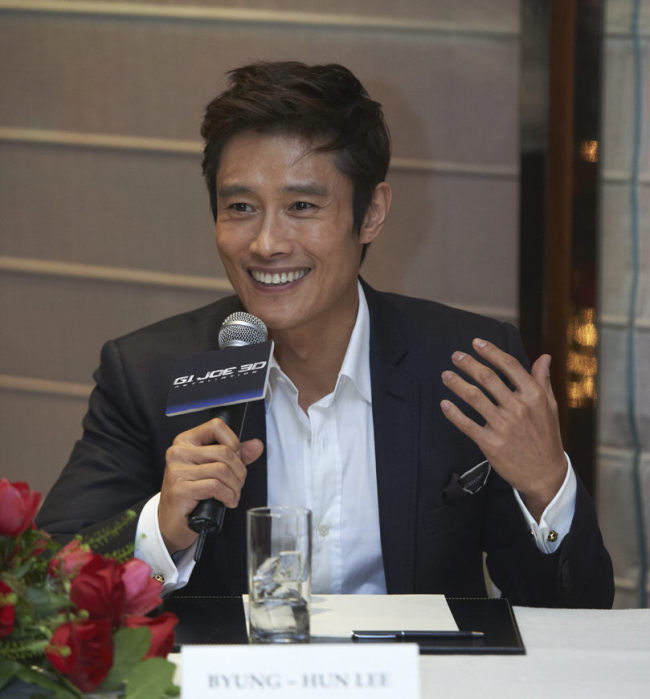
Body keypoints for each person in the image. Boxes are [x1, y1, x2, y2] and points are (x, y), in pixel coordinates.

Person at [37, 61, 614, 607]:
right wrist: (164, 526)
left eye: (302, 206)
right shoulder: (151, 373)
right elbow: (46, 582)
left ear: (372, 213)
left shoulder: (464, 367)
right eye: (240, 206)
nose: (266, 244)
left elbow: (575, 609)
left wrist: (545, 487)